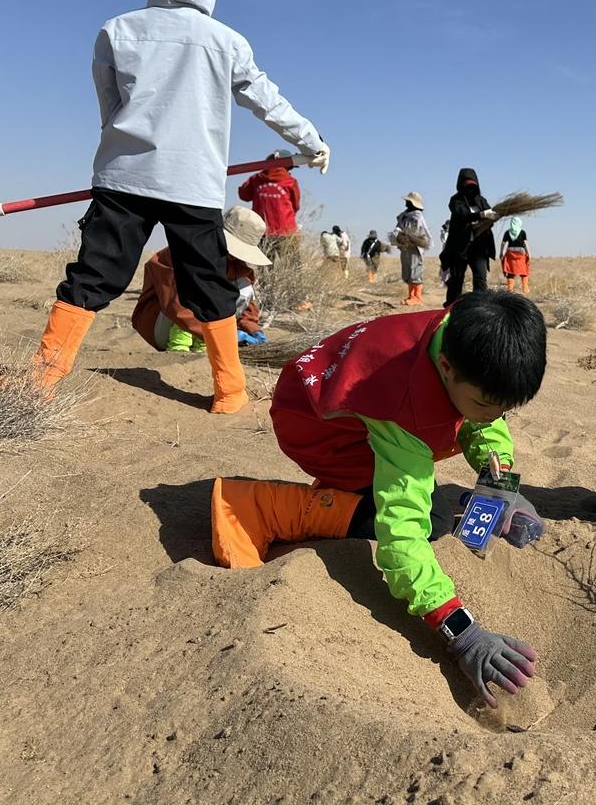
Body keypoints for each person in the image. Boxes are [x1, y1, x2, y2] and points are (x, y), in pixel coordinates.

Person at [31, 0, 328, 414]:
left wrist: (122, 145)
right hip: (192, 181)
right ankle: (229, 391)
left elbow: (109, 106)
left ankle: (41, 379)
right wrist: (311, 141)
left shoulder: (117, 29)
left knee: (94, 274)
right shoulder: (226, 41)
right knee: (207, 283)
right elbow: (266, 100)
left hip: (124, 175)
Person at [210, 290, 548, 708]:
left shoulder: (464, 330)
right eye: (484, 403)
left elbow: (484, 417)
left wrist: (499, 476)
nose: (494, 414)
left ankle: (371, 488)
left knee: (434, 500)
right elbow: (401, 539)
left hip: (356, 401)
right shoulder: (403, 409)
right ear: (446, 367)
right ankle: (266, 507)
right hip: (318, 427)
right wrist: (462, 632)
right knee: (427, 522)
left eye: (507, 408)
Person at [132, 207, 269, 352]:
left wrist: (253, 330)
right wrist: (224, 334)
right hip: (160, 326)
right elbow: (176, 305)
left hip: (209, 330)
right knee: (193, 288)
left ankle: (203, 344)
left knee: (244, 287)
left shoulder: (239, 270)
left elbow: (246, 312)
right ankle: (180, 348)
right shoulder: (180, 254)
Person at [442, 168, 497, 305]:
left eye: (473, 186)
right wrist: (480, 215)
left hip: (479, 247)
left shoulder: (481, 201)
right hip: (460, 248)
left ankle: (480, 307)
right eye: (467, 185)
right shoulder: (456, 200)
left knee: (480, 278)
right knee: (457, 279)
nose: (470, 189)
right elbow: (462, 215)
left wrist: (492, 217)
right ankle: (451, 307)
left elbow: (490, 219)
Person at [238, 150, 301, 266]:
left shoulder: (256, 179)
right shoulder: (290, 181)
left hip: (262, 232)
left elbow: (243, 195)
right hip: (286, 231)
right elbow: (295, 206)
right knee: (293, 267)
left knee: (265, 267)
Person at [391, 192, 432, 306]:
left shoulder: (417, 217)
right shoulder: (403, 216)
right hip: (405, 247)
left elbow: (421, 233)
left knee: (415, 270)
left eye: (408, 201)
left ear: (413, 203)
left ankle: (417, 297)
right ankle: (411, 296)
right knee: (408, 271)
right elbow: (398, 229)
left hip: (415, 248)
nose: (406, 203)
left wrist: (411, 238)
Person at [500, 217, 531, 294]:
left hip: (510, 253)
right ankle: (525, 288)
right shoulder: (522, 232)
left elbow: (503, 243)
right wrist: (529, 254)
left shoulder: (507, 232)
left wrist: (501, 253)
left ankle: (510, 290)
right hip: (521, 254)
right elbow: (526, 243)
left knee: (511, 272)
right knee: (524, 271)